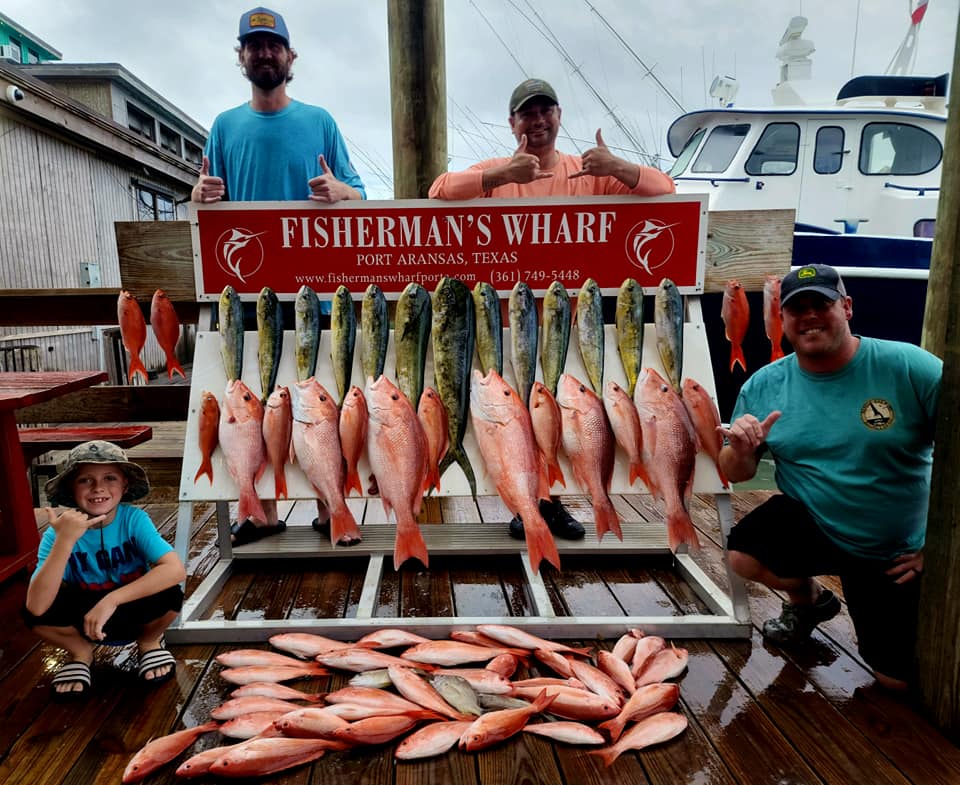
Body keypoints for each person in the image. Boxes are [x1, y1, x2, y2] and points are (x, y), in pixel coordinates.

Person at [430, 77, 676, 541]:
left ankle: (551, 502)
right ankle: (530, 502)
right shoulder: (497, 170)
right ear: (512, 123)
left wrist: (618, 166)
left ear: (559, 116)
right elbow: (439, 190)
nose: (538, 120)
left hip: (570, 323)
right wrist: (503, 176)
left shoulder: (589, 172)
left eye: (546, 110)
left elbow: (665, 190)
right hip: (506, 325)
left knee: (559, 414)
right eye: (527, 112)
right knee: (516, 417)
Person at [718, 264, 941, 692]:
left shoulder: (909, 366)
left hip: (893, 551)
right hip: (817, 522)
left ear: (847, 307)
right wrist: (741, 451)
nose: (809, 317)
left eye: (820, 304)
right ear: (782, 319)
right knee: (742, 555)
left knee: (896, 682)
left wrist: (940, 548)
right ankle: (810, 603)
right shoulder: (764, 384)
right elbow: (734, 471)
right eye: (796, 309)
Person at [192, 7, 366, 546]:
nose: (264, 54)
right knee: (254, 397)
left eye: (273, 46)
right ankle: (259, 512)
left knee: (318, 400)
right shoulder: (224, 126)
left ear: (290, 57)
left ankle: (329, 507)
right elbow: (208, 201)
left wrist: (341, 192)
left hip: (316, 293)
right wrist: (198, 197)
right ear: (241, 56)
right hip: (247, 293)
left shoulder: (321, 121)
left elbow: (360, 194)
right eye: (254, 45)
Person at [23, 441, 186, 701]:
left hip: (132, 606)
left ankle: (149, 642)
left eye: (110, 478)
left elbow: (175, 570)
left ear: (125, 485)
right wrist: (65, 540)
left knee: (170, 593)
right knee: (32, 611)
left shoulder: (133, 519)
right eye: (85, 480)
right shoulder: (58, 533)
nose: (98, 488)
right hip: (83, 614)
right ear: (71, 488)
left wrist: (112, 600)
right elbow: (37, 606)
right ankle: (80, 652)